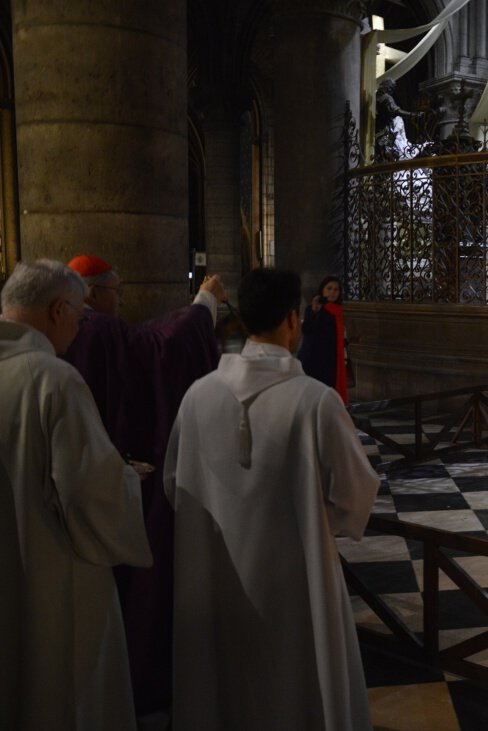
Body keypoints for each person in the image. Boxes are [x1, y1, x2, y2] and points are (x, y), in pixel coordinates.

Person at [164, 267, 380, 731]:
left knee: (225, 691)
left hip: (215, 582)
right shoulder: (316, 402)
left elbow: (174, 484)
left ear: (242, 321)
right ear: (291, 320)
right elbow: (356, 496)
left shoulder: (197, 397)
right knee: (298, 690)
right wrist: (307, 515)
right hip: (295, 586)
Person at [62, 253, 224, 717]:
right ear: (92, 294)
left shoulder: (65, 337)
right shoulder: (96, 329)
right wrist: (203, 305)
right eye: (117, 291)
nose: (122, 300)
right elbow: (158, 352)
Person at [0, 260, 152, 730]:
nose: (81, 327)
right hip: (52, 571)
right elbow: (89, 492)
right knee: (63, 692)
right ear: (58, 308)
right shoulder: (53, 379)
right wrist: (127, 479)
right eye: (80, 316)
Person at [299, 275, 349, 404]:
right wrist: (315, 312)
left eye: (336, 289)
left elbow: (333, 336)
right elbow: (307, 330)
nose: (333, 292)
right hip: (315, 359)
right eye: (329, 288)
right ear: (322, 290)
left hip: (332, 360)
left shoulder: (338, 311)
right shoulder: (314, 308)